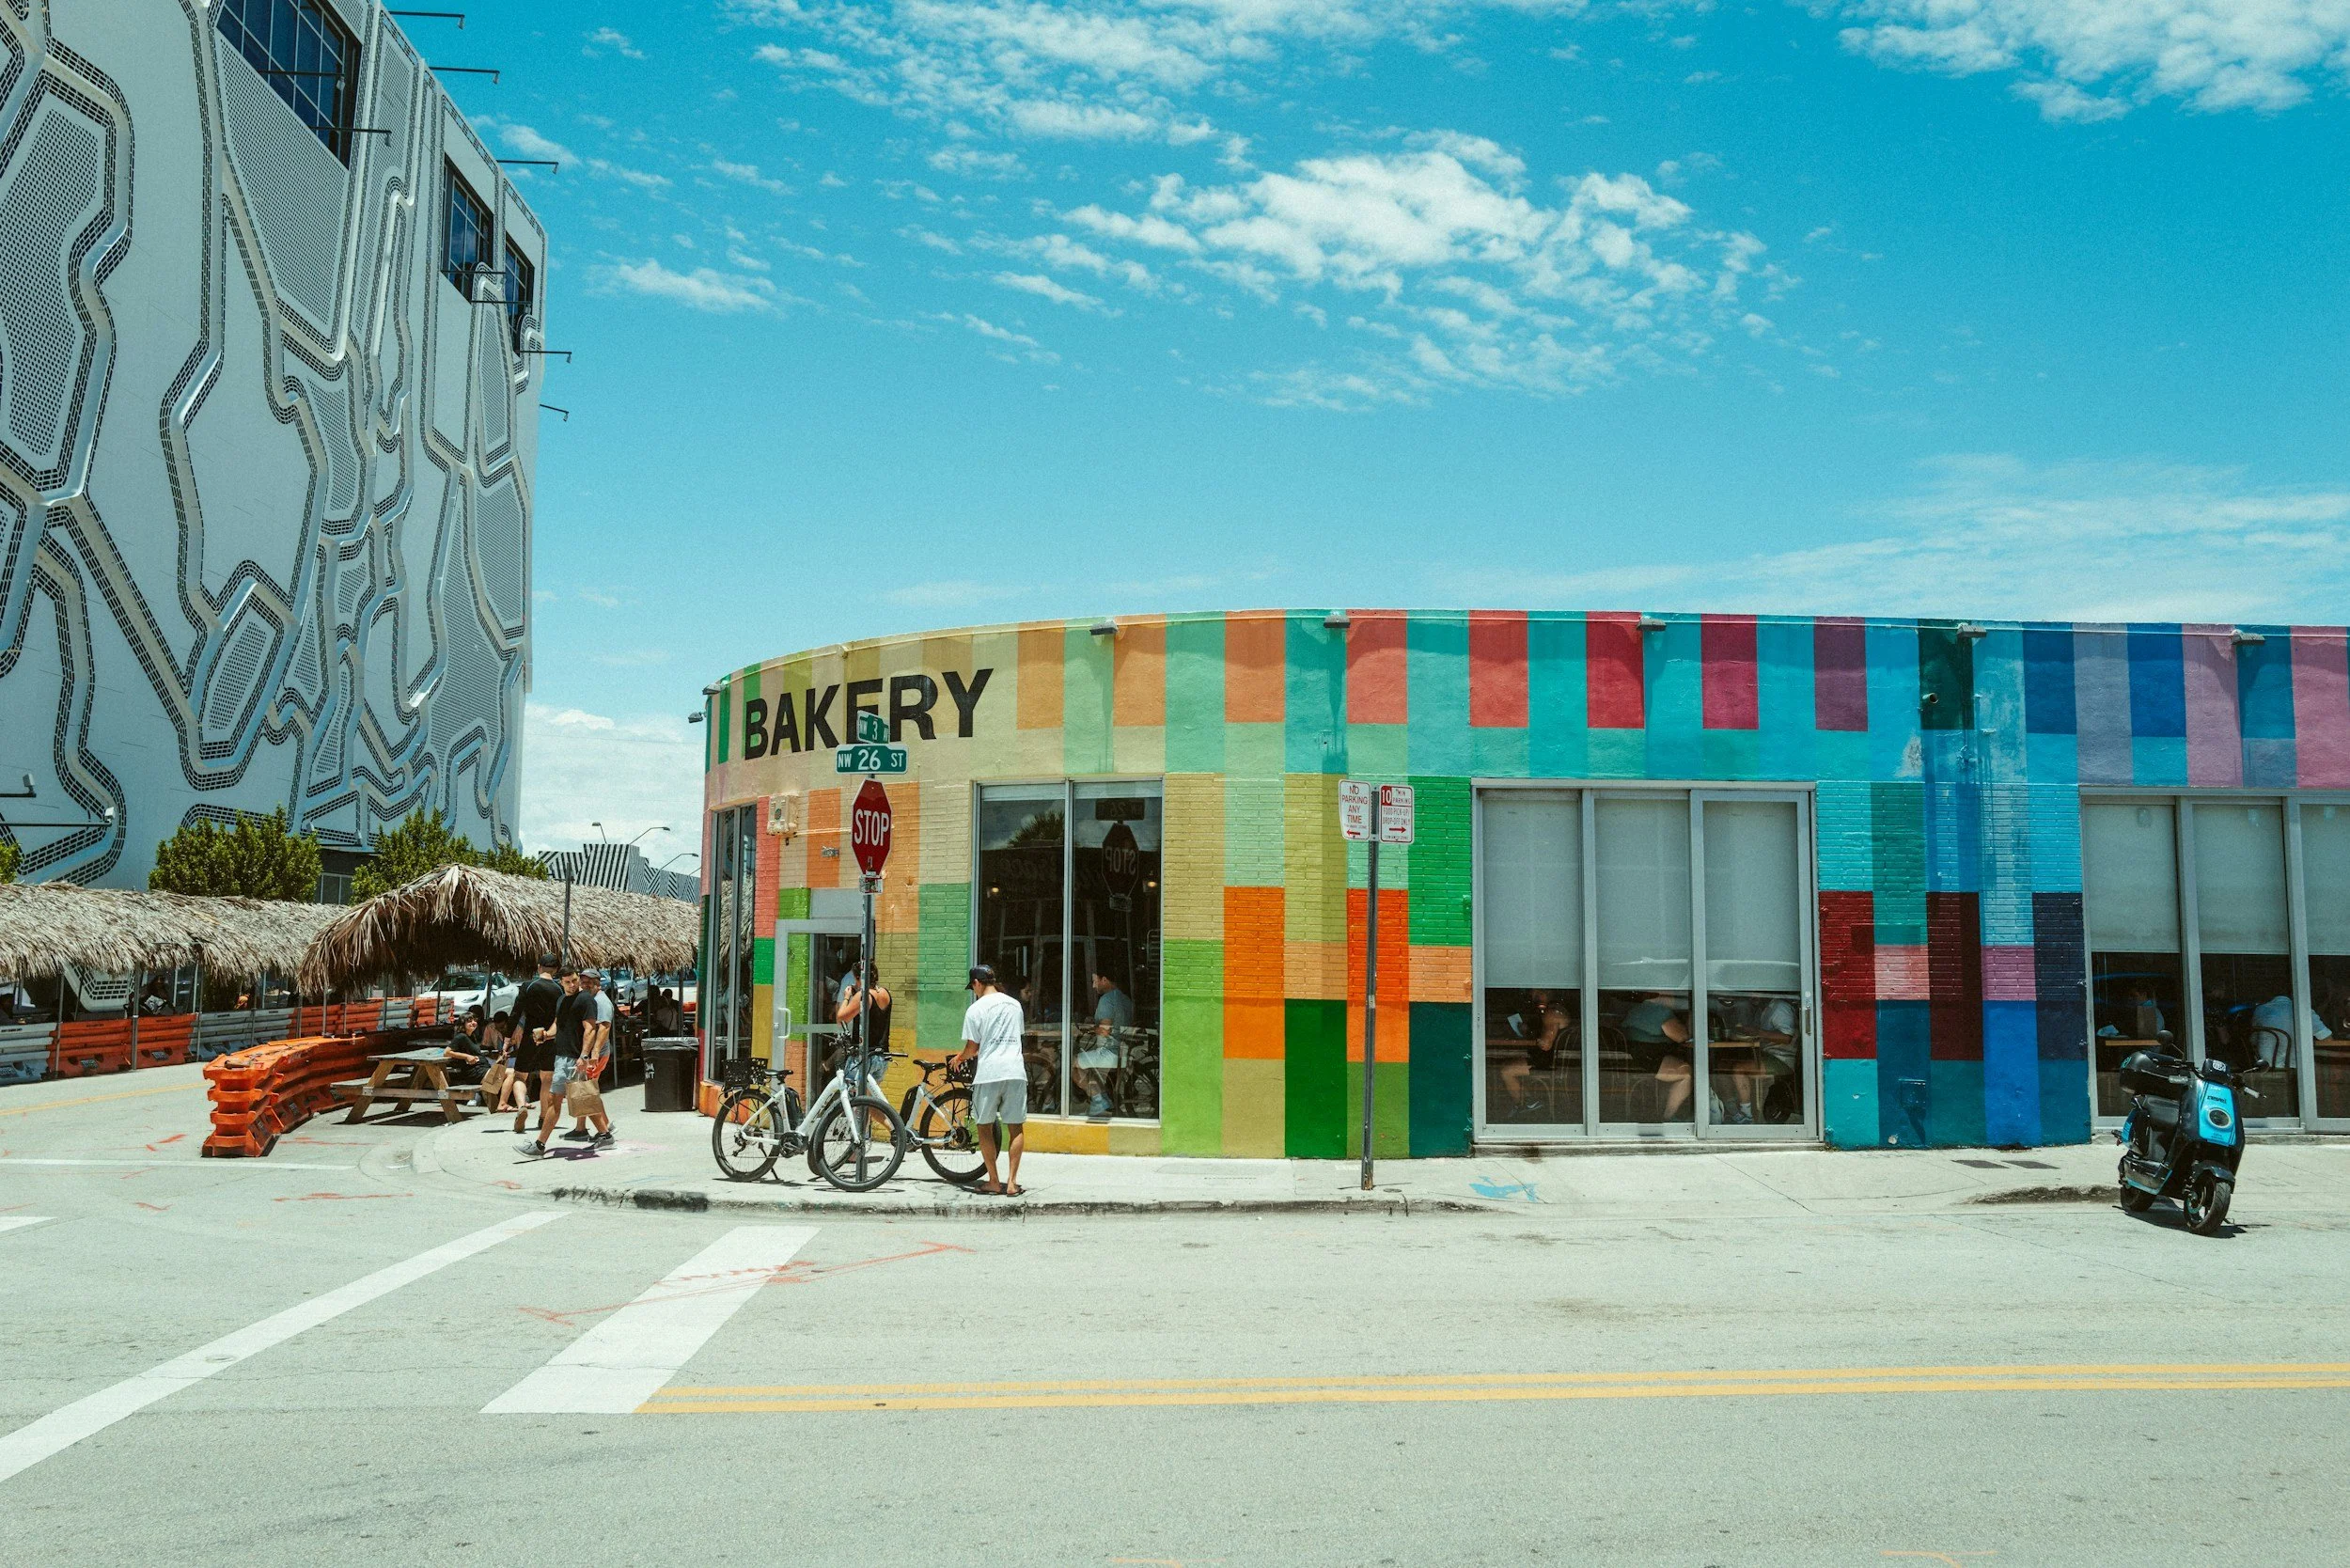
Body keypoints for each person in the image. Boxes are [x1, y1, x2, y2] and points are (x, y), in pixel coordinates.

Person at [956, 964, 1027, 1196]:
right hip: (1015, 1070)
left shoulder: (976, 1009)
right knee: (1016, 1128)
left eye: (973, 987)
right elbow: (1018, 1036)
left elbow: (971, 1047)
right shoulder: (1014, 1004)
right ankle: (1013, 1183)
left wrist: (958, 1058)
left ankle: (994, 1181)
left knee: (984, 1126)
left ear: (977, 983)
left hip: (989, 1073)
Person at [508, 957, 566, 1144]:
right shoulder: (559, 989)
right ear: (556, 969)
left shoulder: (528, 986)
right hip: (550, 1036)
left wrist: (507, 1039)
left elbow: (516, 1012)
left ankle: (521, 1106)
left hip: (530, 1036)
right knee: (547, 1077)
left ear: (539, 967)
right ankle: (542, 1116)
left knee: (520, 1075)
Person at [557, 970, 617, 1149]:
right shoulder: (591, 999)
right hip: (591, 1054)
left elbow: (604, 1028)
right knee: (586, 1089)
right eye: (583, 981)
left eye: (590, 982)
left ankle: (605, 1129)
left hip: (596, 1055)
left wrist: (595, 1053)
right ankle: (582, 1128)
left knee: (588, 1091)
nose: (585, 984)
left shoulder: (601, 1001)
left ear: (598, 982)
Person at [1495, 988, 1573, 1119]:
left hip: (1543, 1063)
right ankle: (1530, 1100)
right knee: (1510, 1062)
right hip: (1550, 1060)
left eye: (1537, 993)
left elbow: (1545, 1045)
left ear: (1545, 993)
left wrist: (1530, 1034)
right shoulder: (1558, 1010)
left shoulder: (1551, 1014)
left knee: (1505, 1070)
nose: (1533, 996)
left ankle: (1521, 1105)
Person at [1621, 993, 1694, 1120]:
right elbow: (1681, 1036)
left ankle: (1665, 1110)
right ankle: (1668, 1117)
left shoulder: (1637, 1009)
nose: (1674, 999)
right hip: (1649, 1059)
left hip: (1636, 1058)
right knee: (1687, 1074)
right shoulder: (1660, 1012)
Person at [1074, 968, 1133, 1117]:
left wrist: (1090, 1029)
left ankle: (1098, 1100)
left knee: (1072, 1064)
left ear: (1104, 980)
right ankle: (1102, 1099)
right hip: (1123, 1053)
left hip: (1109, 1052)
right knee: (1093, 1067)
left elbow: (1105, 1030)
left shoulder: (1107, 999)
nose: (1094, 986)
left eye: (1095, 981)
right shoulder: (1126, 999)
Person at [834, 963, 892, 1090]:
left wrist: (847, 997)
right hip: (881, 1057)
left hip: (863, 1058)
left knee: (850, 1099)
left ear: (858, 977)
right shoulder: (885, 993)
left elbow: (841, 1018)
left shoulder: (863, 996)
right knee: (872, 1102)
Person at [2250, 993, 2326, 1071]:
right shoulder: (2303, 1010)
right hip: (2298, 1068)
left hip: (2266, 1067)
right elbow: (2326, 1037)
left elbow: (2253, 1041)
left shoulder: (2260, 1010)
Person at [444, 1007, 490, 1087]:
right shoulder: (461, 1037)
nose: (473, 1023)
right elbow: (447, 1052)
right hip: (476, 1073)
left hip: (482, 1069)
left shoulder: (472, 1036)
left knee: (511, 1074)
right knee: (509, 1074)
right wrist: (467, 1056)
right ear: (463, 1024)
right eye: (469, 1021)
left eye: (475, 1020)